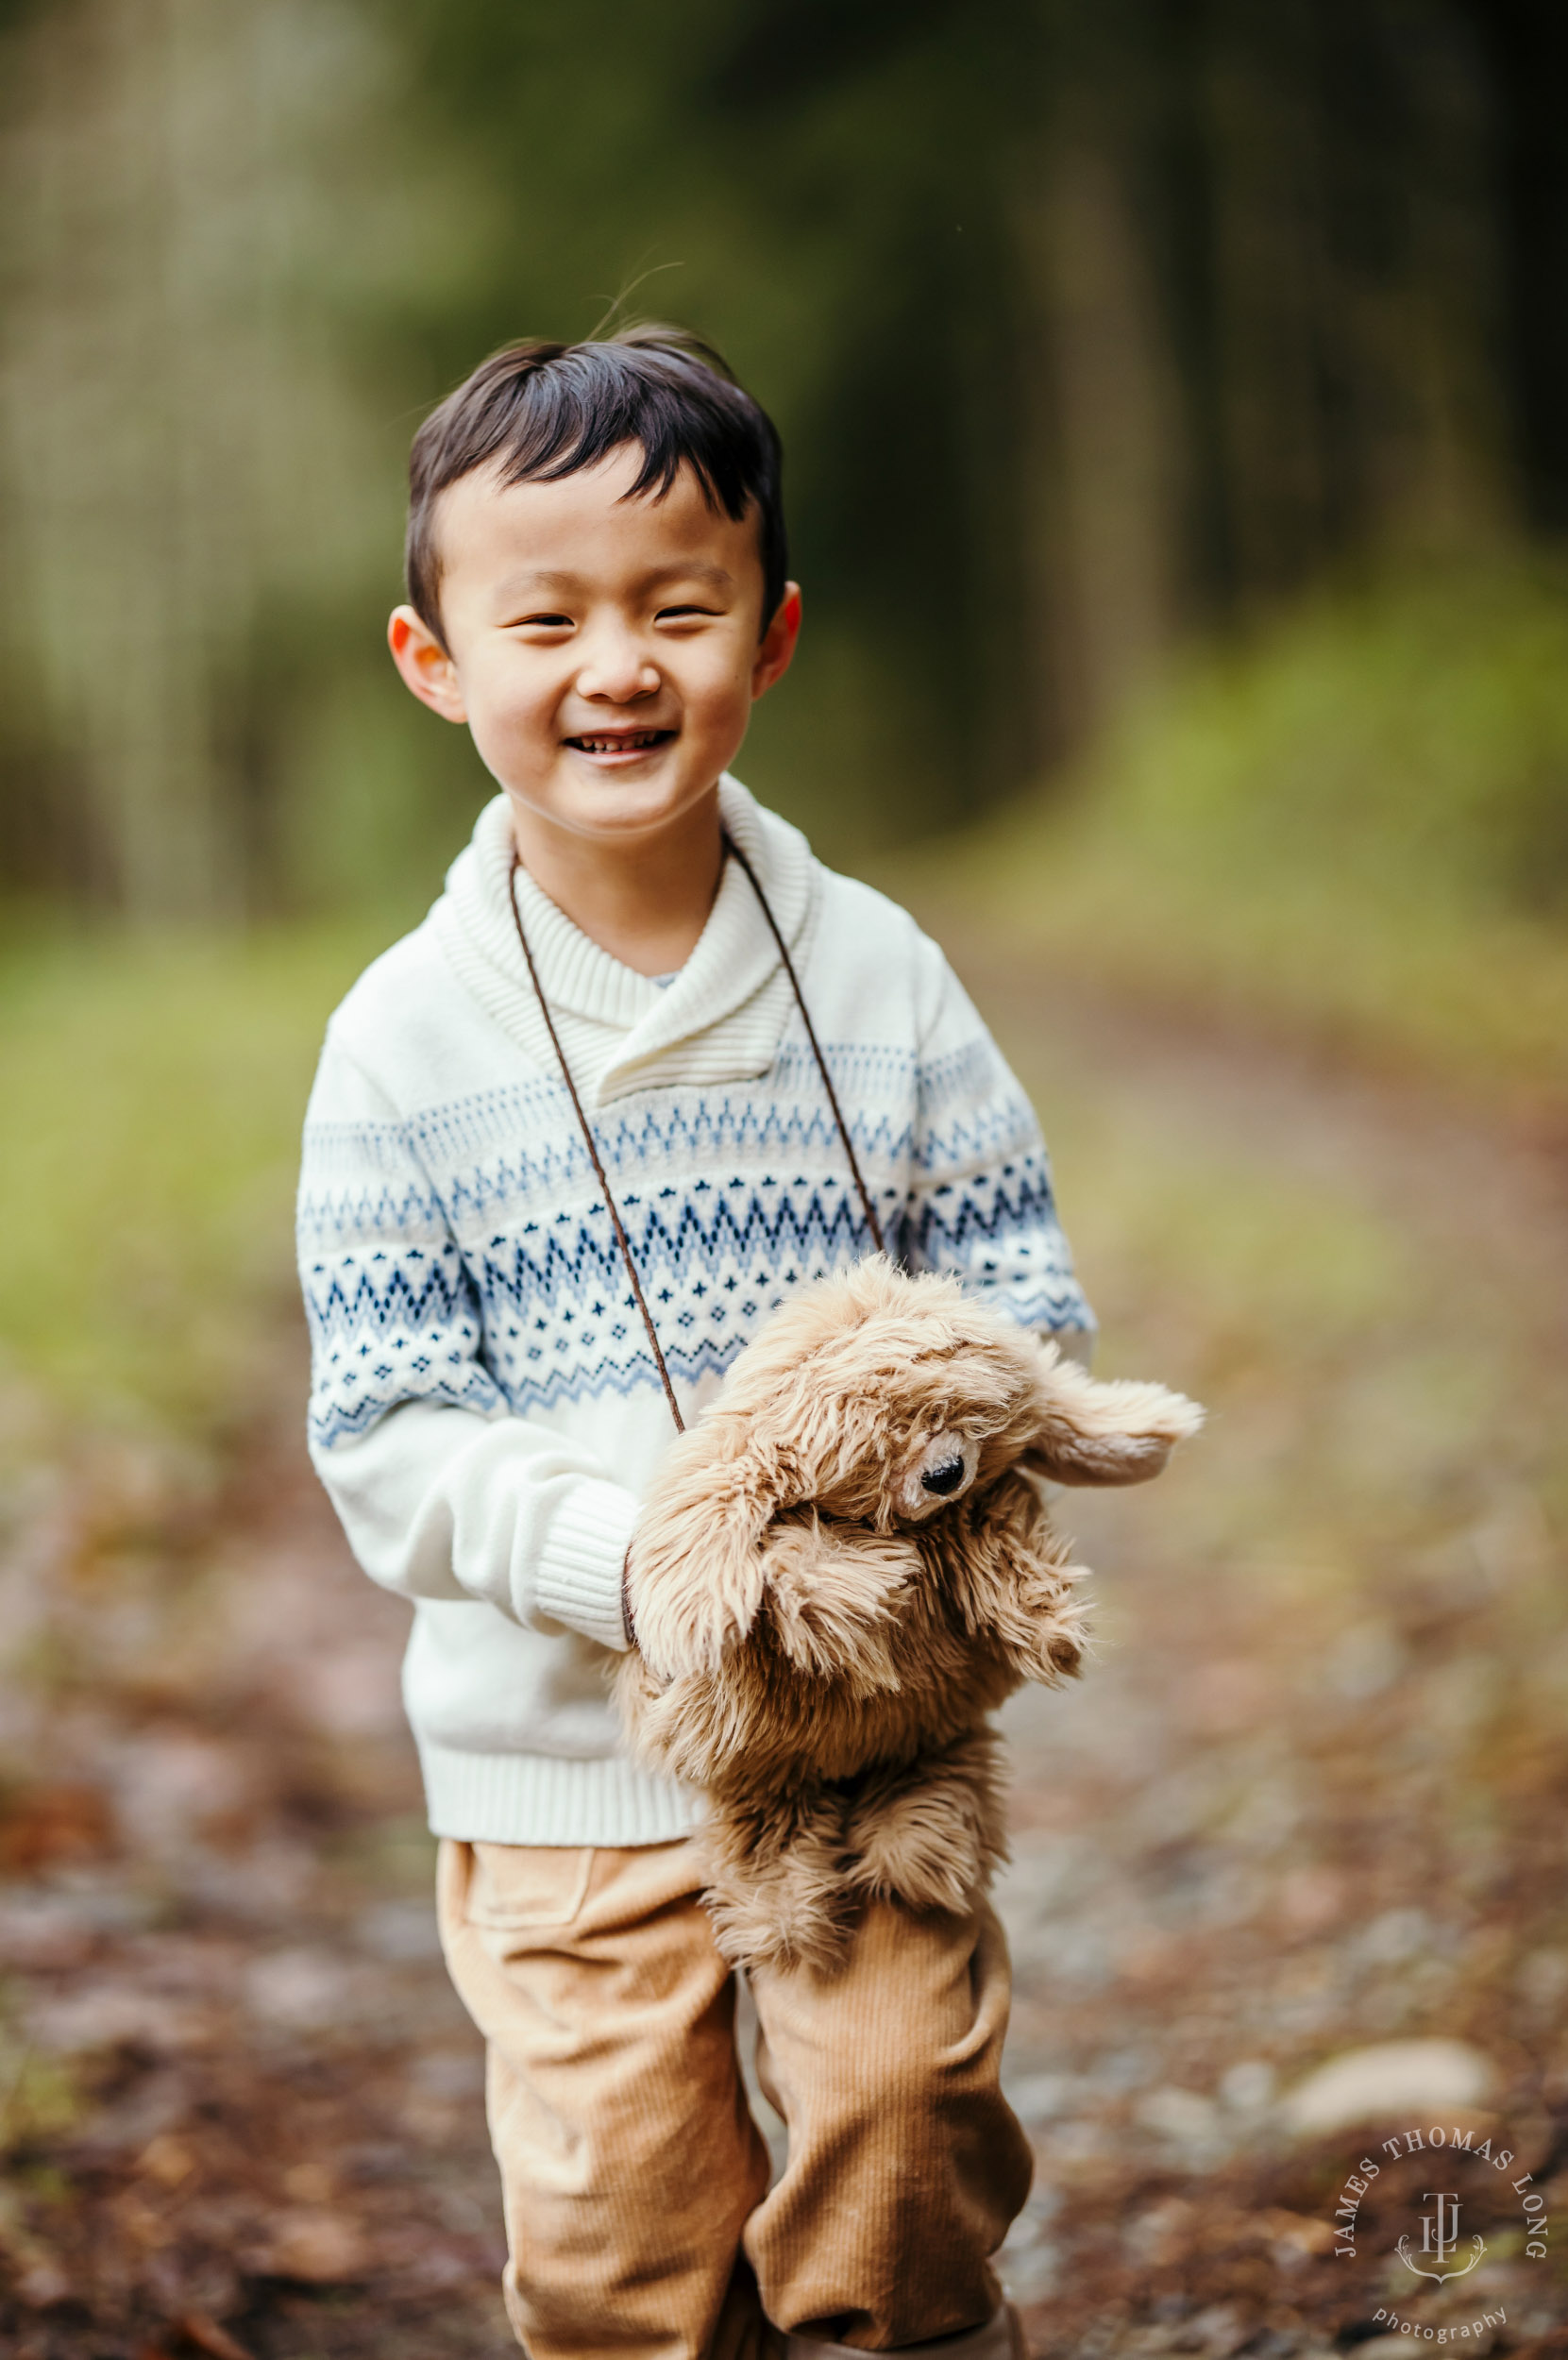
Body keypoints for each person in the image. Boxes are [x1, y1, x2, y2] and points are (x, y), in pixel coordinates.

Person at [296, 324, 1095, 2360]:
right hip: (562, 1759)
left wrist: (939, 1472)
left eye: (679, 605)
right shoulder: (403, 1038)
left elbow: (1016, 1286)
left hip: (868, 1739)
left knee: (902, 2132)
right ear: (434, 659)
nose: (616, 664)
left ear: (775, 631)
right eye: (543, 615)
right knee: (622, 2245)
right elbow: (386, 1423)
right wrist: (635, 1563)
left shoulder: (878, 972)